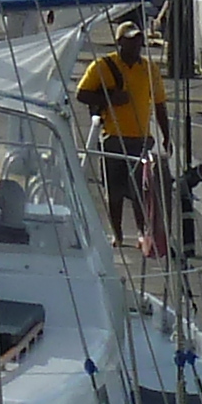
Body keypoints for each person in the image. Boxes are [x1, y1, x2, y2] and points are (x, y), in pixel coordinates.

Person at [72, 16, 166, 248]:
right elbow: (81, 94)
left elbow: (160, 104)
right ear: (119, 43)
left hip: (141, 138)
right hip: (113, 136)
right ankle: (118, 233)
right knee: (113, 191)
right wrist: (110, 99)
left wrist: (167, 135)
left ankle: (142, 232)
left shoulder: (149, 69)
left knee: (140, 190)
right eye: (131, 41)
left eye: (139, 40)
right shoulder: (103, 66)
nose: (136, 45)